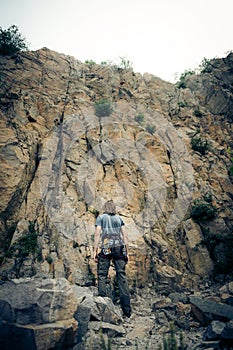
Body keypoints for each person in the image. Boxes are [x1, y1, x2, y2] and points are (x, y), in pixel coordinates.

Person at [94, 200, 131, 318]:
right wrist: (127, 252)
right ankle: (127, 310)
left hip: (107, 246)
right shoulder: (119, 219)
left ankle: (103, 307)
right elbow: (125, 236)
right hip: (118, 246)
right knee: (121, 275)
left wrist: (94, 250)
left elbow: (97, 234)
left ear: (105, 207)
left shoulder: (101, 217)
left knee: (102, 274)